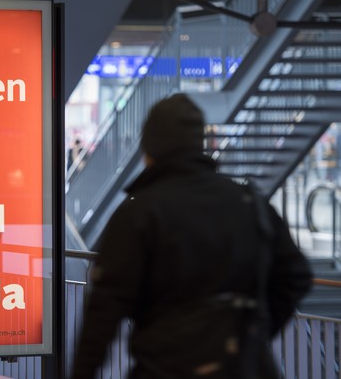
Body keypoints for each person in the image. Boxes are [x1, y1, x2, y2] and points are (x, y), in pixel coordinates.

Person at [70, 94, 313, 379]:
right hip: (244, 368)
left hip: (165, 368)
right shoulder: (249, 203)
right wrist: (252, 331)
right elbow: (296, 276)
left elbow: (103, 312)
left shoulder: (139, 214)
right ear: (199, 145)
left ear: (150, 150)